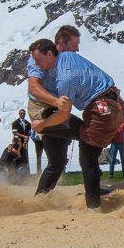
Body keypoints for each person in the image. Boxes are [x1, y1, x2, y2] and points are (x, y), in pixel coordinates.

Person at [29, 38, 124, 212]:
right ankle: (42, 199)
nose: (36, 64)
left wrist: (41, 124)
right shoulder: (67, 56)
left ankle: (94, 208)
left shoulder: (64, 79)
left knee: (87, 159)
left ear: (50, 54)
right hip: (116, 104)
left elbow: (63, 115)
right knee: (63, 159)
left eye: (38, 60)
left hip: (101, 109)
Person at [25, 25, 81, 180]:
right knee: (85, 132)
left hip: (56, 109)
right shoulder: (42, 56)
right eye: (74, 45)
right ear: (61, 44)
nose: (77, 50)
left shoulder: (67, 63)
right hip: (41, 108)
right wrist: (57, 103)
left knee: (58, 161)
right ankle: (94, 187)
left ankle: (40, 199)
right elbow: (34, 88)